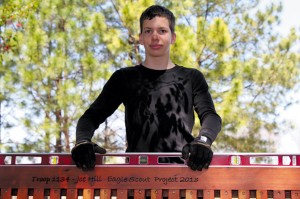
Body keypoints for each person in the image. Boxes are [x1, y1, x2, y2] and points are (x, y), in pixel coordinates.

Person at [71, 5, 222, 171]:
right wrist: (82, 141)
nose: (155, 37)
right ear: (141, 38)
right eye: (148, 31)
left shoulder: (192, 77)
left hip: (183, 173)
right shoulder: (124, 78)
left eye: (162, 31)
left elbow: (211, 116)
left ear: (173, 37)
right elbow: (91, 117)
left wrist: (203, 141)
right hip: (136, 176)